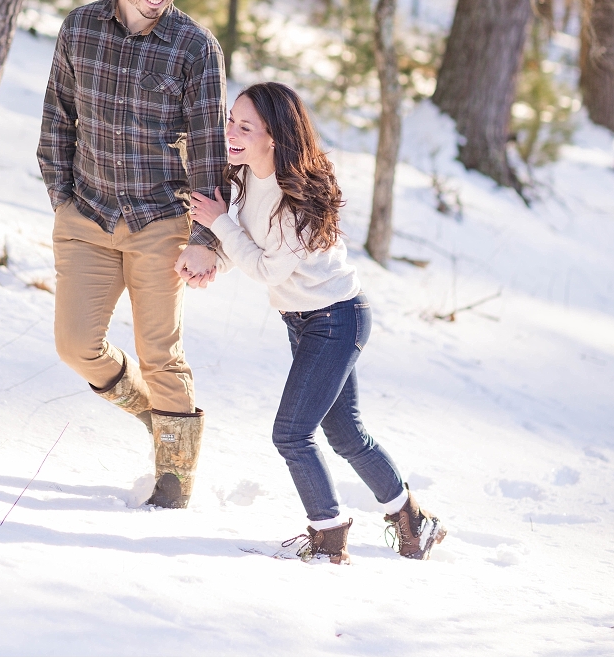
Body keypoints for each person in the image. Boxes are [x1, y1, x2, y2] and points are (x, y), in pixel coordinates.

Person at [188, 82, 446, 562]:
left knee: (291, 433)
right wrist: (210, 265)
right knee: (345, 433)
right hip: (305, 320)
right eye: (230, 121)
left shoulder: (296, 197)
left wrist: (220, 224)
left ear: (275, 136)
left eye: (246, 126)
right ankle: (415, 521)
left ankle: (329, 536)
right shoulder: (243, 177)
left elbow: (266, 266)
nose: (232, 133)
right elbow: (247, 244)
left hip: (336, 320)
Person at [37, 0, 227, 510]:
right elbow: (57, 118)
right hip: (87, 214)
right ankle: (157, 415)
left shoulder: (194, 47)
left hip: (160, 221)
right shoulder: (81, 28)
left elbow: (209, 151)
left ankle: (173, 476)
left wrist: (205, 238)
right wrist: (61, 196)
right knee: (75, 345)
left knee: (158, 349)